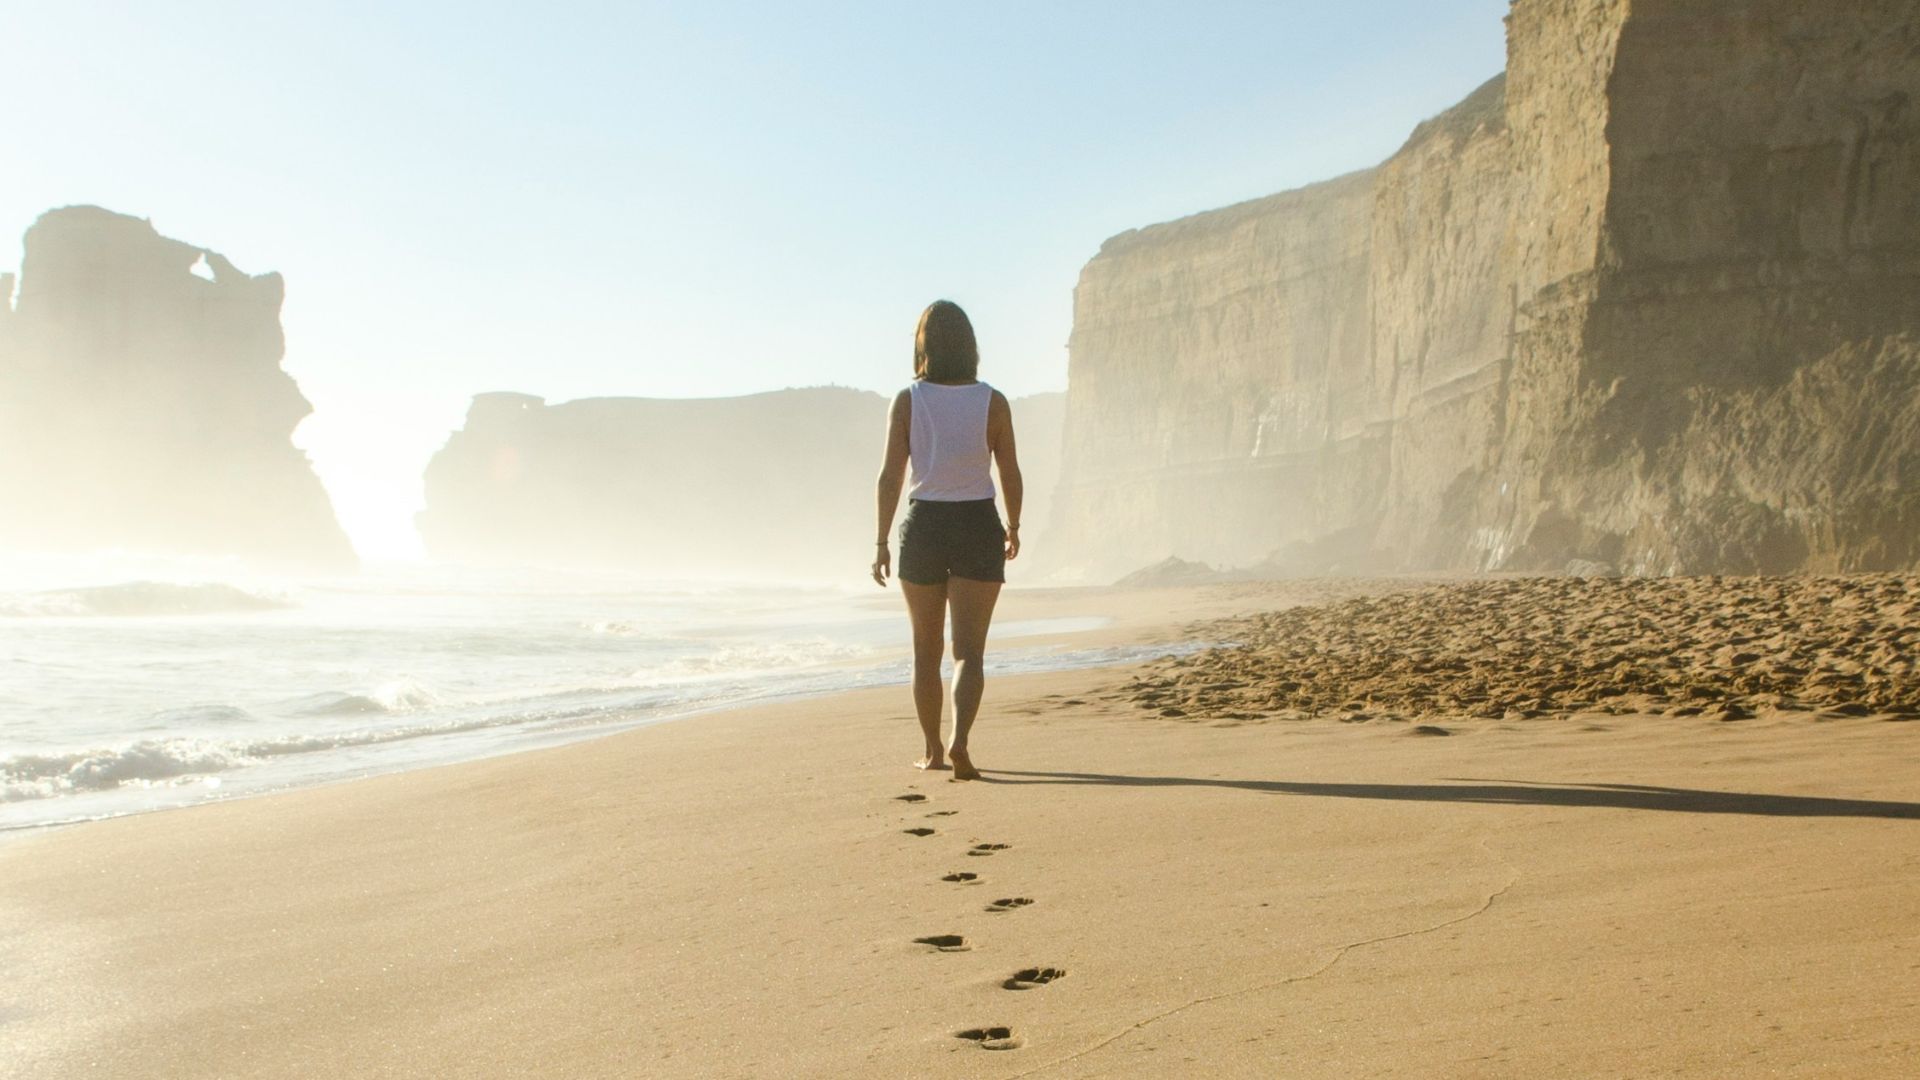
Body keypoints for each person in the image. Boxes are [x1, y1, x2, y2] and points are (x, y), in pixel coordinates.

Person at [871, 300, 1022, 781]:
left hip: (926, 526)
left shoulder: (909, 400)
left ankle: (934, 750)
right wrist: (1014, 526)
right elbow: (1010, 471)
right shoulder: (992, 401)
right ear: (970, 346)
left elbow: (890, 477)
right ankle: (961, 742)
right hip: (978, 523)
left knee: (925, 649)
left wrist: (880, 541)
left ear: (923, 345)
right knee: (969, 653)